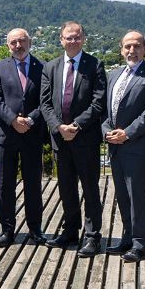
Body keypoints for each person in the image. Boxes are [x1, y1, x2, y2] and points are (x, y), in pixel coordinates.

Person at [39, 21, 107, 257]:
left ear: (83, 39)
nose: (73, 41)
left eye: (77, 37)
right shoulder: (51, 67)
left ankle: (92, 236)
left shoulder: (95, 65)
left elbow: (98, 102)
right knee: (66, 188)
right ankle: (70, 230)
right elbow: (45, 103)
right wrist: (59, 127)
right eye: (69, 37)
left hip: (85, 138)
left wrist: (76, 125)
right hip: (60, 139)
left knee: (90, 190)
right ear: (61, 39)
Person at [102, 31, 145, 263]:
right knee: (122, 195)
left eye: (137, 46)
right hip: (115, 146)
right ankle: (127, 237)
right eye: (127, 46)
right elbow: (106, 110)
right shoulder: (114, 74)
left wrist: (126, 134)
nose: (132, 50)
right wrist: (106, 131)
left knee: (137, 196)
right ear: (121, 50)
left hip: (137, 146)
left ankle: (140, 243)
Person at [0, 28, 46, 248]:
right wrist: (13, 119)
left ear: (29, 42)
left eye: (22, 41)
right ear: (8, 45)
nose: (18, 46)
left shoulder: (43, 68)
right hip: (6, 134)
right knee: (4, 185)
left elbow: (46, 100)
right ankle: (7, 230)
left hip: (32, 135)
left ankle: (35, 229)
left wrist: (30, 120)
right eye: (13, 42)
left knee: (33, 184)